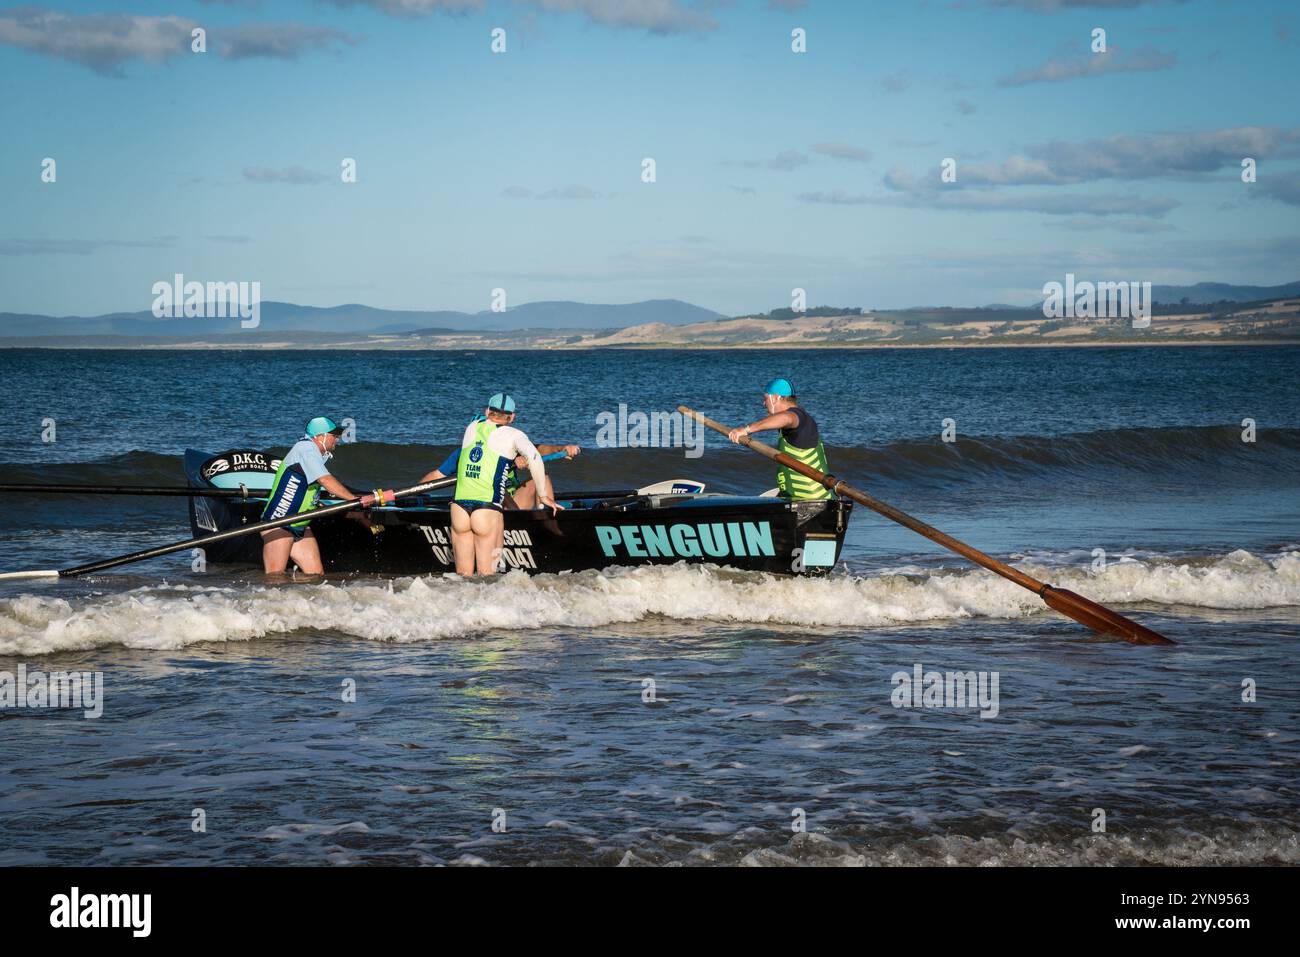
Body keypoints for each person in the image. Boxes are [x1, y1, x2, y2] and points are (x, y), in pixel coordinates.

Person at [433, 393, 562, 575]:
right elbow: (534, 458)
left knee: (462, 578)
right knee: (487, 578)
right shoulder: (514, 435)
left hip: (459, 508)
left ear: (487, 411)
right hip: (487, 510)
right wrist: (543, 496)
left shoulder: (471, 428)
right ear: (512, 417)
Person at [261, 416, 377, 575]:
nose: (337, 439)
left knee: (315, 577)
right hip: (280, 522)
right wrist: (353, 500)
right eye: (333, 435)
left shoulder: (313, 453)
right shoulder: (306, 449)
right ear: (320, 436)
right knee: (275, 578)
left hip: (299, 524)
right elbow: (325, 480)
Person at [726, 378, 833, 501]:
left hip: (813, 502)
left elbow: (786, 418)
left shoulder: (798, 416)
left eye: (765, 398)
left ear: (775, 397)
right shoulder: (800, 419)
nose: (764, 403)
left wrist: (746, 430)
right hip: (799, 500)